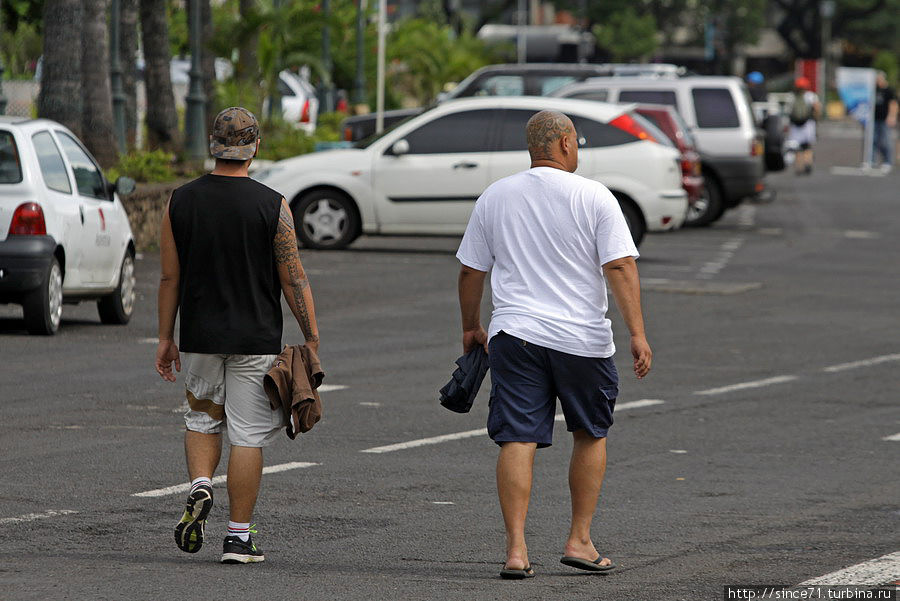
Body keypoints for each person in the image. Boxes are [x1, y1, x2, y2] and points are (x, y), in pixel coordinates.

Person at [455, 110, 652, 580]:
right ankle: (579, 541)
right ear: (564, 143)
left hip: (515, 334)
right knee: (589, 433)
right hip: (581, 339)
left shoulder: (496, 195)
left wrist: (471, 327)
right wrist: (637, 333)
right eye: (576, 142)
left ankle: (517, 551)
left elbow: (470, 271)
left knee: (517, 436)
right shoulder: (595, 196)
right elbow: (620, 267)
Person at [155, 107, 320, 564]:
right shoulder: (273, 205)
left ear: (213, 144)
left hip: (201, 336)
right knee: (246, 436)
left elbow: (169, 279)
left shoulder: (179, 201)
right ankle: (238, 538)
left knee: (202, 420)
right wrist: (311, 337)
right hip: (255, 339)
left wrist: (165, 338)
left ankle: (201, 485)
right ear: (255, 147)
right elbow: (294, 279)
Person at [788, 77, 820, 175]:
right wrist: (816, 119)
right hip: (808, 124)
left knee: (797, 147)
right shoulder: (811, 96)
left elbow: (789, 111)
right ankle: (808, 163)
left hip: (795, 125)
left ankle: (799, 167)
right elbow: (817, 109)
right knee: (807, 146)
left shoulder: (792, 97)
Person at [873, 71, 897, 172]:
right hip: (874, 119)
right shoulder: (874, 89)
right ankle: (872, 160)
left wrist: (892, 116)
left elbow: (893, 104)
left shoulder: (889, 90)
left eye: (879, 79)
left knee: (886, 141)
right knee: (873, 141)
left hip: (884, 119)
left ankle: (887, 161)